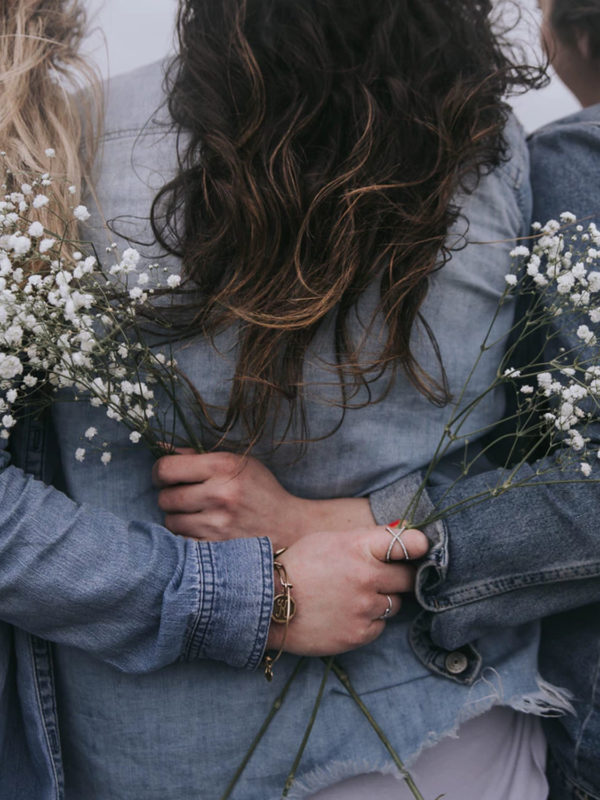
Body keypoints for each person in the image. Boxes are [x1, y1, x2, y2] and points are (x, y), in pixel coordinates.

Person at [0, 2, 589, 800]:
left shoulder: (63, 139)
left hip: (170, 755)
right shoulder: (496, 150)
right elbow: (544, 453)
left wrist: (281, 563)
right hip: (443, 735)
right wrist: (287, 580)